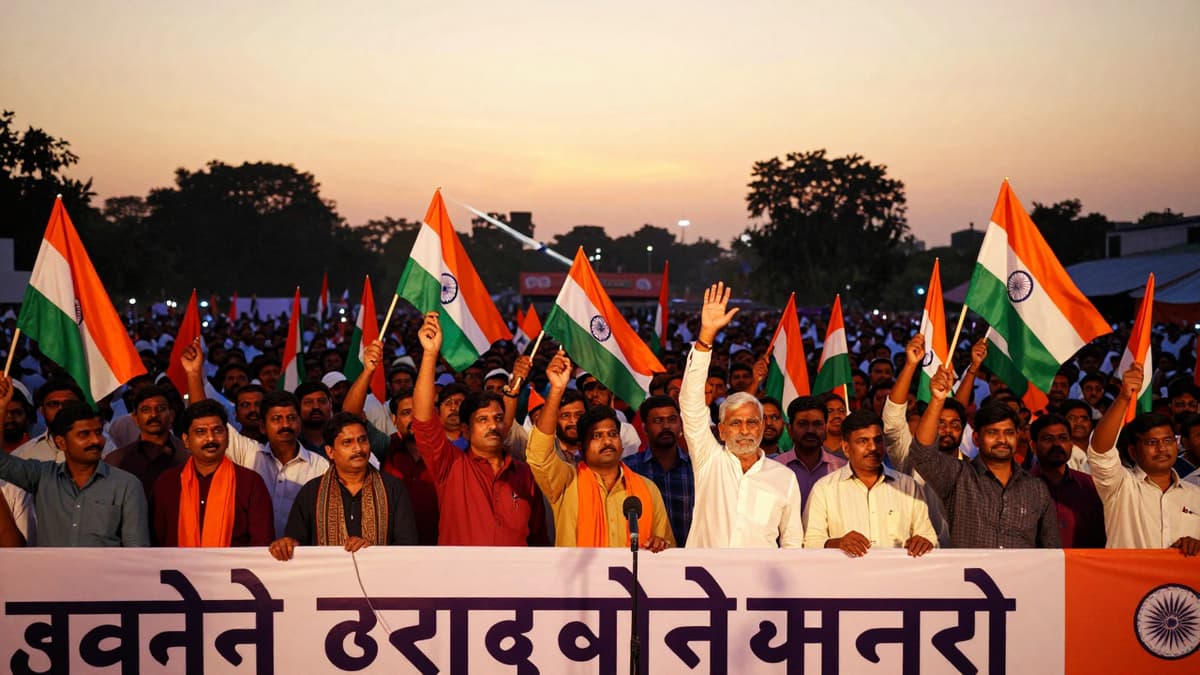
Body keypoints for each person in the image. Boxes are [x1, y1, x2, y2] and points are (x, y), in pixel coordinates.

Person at [681, 283, 804, 548]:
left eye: (752, 422)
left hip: (761, 587)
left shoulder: (784, 477)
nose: (745, 430)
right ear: (722, 430)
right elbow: (690, 406)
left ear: (762, 427)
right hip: (707, 583)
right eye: (735, 423)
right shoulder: (709, 462)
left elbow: (793, 542)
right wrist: (706, 336)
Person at [411, 312, 548, 546]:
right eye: (482, 420)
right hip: (461, 580)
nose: (493, 425)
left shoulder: (524, 474)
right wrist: (430, 354)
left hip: (515, 579)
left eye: (497, 418)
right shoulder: (450, 465)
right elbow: (423, 419)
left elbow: (538, 541)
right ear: (465, 430)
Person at [181, 338, 331, 538]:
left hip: (300, 558)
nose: (285, 425)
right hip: (255, 557)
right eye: (277, 419)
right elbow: (203, 418)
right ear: (262, 426)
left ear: (299, 423)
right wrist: (193, 374)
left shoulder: (320, 466)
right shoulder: (250, 452)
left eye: (291, 418)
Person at [527, 350, 673, 550]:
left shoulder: (647, 489)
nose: (607, 440)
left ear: (621, 443)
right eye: (597, 435)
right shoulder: (567, 482)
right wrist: (556, 390)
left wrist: (660, 544)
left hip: (632, 581)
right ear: (582, 446)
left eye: (612, 434)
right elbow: (538, 455)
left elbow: (667, 545)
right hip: (578, 580)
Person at [907, 365, 1059, 548]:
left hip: (1022, 577)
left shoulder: (1037, 489)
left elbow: (1052, 551)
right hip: (965, 576)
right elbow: (922, 455)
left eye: (1009, 432)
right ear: (976, 438)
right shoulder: (959, 476)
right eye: (993, 432)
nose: (1002, 439)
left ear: (1017, 437)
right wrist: (937, 400)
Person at [0, 375, 148, 546]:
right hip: (51, 573)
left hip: (105, 573)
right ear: (61, 442)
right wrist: (1, 409)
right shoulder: (43, 477)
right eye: (84, 434)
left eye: (98, 432)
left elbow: (136, 553)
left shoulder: (127, 485)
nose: (96, 441)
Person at [270, 412, 418, 560]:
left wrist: (371, 551)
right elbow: (296, 543)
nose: (358, 449)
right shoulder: (312, 492)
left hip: (380, 577)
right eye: (348, 442)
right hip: (326, 580)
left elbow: (407, 546)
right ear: (330, 452)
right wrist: (287, 545)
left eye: (362, 440)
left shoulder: (392, 488)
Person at [1087, 363, 1200, 556]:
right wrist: (1123, 397)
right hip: (1128, 584)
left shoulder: (1195, 495)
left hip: (1182, 585)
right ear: (1133, 452)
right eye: (1151, 442)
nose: (1162, 448)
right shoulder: (1121, 486)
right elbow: (1100, 452)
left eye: (1167, 440)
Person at [803, 409, 936, 557]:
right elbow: (810, 542)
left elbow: (929, 537)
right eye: (863, 441)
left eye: (877, 440)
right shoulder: (824, 489)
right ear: (846, 448)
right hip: (847, 577)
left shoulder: (908, 486)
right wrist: (837, 543)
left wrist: (922, 542)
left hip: (898, 576)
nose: (873, 447)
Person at [150, 400, 274, 547]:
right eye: (200, 432)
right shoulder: (167, 483)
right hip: (176, 567)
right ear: (186, 440)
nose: (210, 439)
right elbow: (155, 544)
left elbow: (261, 544)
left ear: (227, 436)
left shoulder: (250, 482)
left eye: (217, 430)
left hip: (235, 569)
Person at [625, 395, 695, 546]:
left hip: (690, 560)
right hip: (645, 557)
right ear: (644, 428)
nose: (666, 426)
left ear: (681, 424)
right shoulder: (629, 469)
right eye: (658, 421)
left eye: (672, 420)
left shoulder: (696, 469)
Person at [1028, 413, 1105, 548]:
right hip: (1037, 566)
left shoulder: (1089, 485)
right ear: (1033, 446)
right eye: (1048, 439)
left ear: (1071, 444)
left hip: (1083, 565)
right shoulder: (1021, 488)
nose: (1057, 444)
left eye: (1063, 438)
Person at [104, 385, 188, 498]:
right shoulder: (116, 461)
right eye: (145, 410)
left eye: (161, 408)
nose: (154, 415)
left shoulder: (187, 456)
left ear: (171, 415)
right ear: (135, 418)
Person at [773, 396, 846, 513]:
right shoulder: (774, 468)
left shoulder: (842, 469)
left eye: (817, 424)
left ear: (826, 427)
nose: (810, 430)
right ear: (789, 429)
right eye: (802, 424)